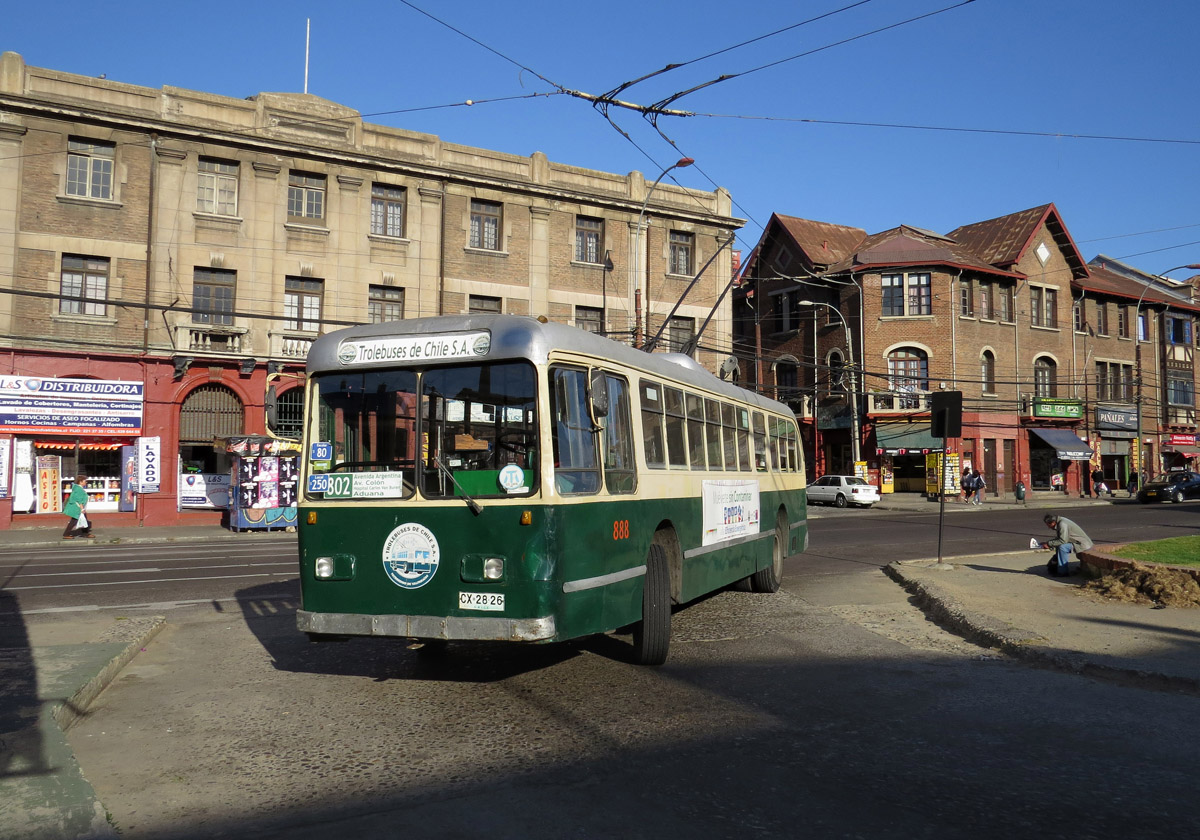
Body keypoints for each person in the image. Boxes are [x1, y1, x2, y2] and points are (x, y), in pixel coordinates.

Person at [62, 473, 94, 539]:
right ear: (81, 482)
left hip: (78, 508)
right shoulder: (78, 489)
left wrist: (88, 497)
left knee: (83, 519)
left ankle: (85, 533)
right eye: (85, 481)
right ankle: (66, 534)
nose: (86, 482)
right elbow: (79, 500)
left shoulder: (78, 488)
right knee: (74, 521)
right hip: (77, 508)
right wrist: (82, 509)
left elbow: (81, 497)